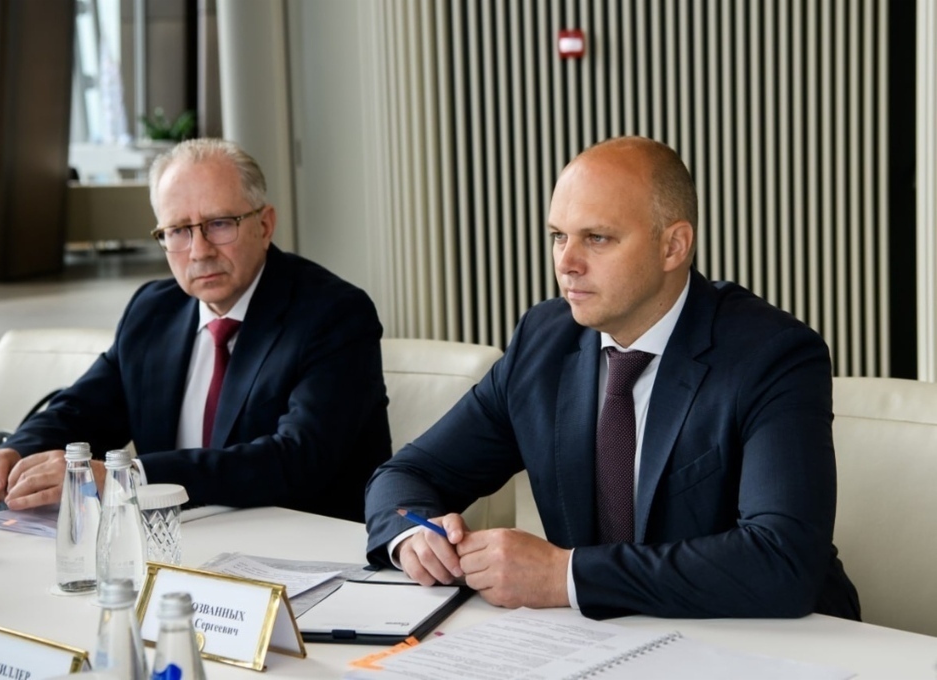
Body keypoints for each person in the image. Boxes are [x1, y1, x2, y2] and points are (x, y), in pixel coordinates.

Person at [364, 136, 861, 620]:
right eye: (558, 236)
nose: (567, 263)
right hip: (600, 643)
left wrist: (565, 575)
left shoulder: (772, 354)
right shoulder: (543, 341)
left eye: (596, 238)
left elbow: (781, 559)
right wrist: (414, 538)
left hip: (771, 641)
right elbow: (405, 476)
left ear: (673, 246)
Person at [0, 138, 391, 522]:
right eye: (178, 231)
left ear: (264, 225)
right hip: (173, 543)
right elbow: (80, 410)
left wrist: (130, 476)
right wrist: (17, 451)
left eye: (219, 224)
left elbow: (296, 460)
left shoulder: (334, 314)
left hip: (304, 550)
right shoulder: (153, 310)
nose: (199, 251)